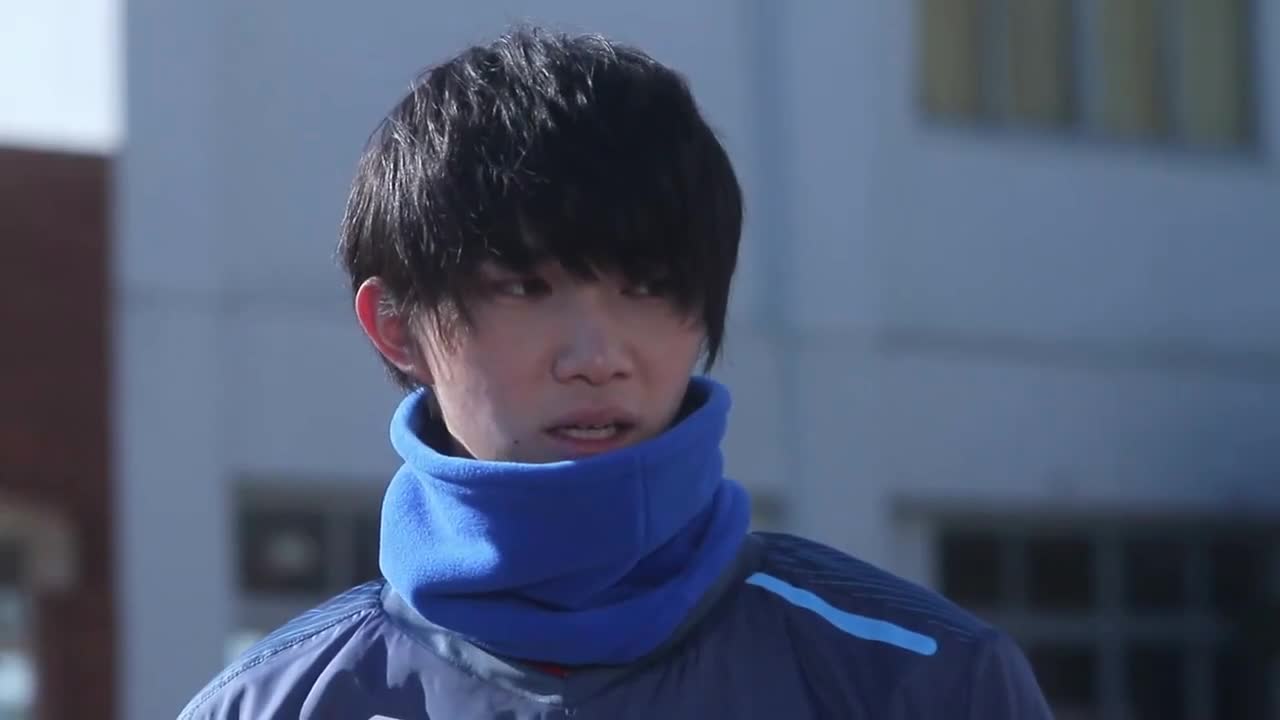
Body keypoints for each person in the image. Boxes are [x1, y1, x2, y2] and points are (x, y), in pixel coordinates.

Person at [179, 26, 1052, 720]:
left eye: (648, 287)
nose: (597, 358)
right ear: (397, 328)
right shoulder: (275, 704)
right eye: (525, 288)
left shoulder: (917, 680)